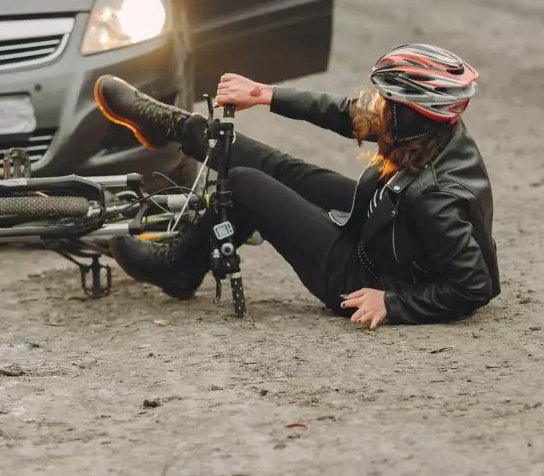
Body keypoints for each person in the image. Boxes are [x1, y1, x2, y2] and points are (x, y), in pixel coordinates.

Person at [94, 44, 500, 329]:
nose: (378, 105)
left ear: (413, 115)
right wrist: (263, 94)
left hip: (361, 276)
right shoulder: (430, 130)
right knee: (285, 168)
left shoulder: (435, 197)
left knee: (246, 183)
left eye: (388, 101)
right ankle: (180, 128)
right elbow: (345, 113)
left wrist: (392, 303)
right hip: (386, 227)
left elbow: (474, 286)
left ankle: (176, 268)